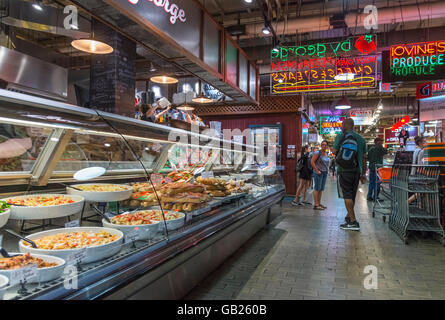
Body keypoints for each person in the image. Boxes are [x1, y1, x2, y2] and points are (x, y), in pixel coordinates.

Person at [332, 118, 367, 231]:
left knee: (347, 195)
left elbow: (333, 150)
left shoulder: (341, 136)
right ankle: (349, 216)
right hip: (356, 171)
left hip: (344, 170)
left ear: (345, 125)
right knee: (352, 195)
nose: (341, 127)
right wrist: (363, 173)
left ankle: (353, 221)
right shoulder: (361, 139)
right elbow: (364, 157)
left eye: (342, 125)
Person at [311, 140, 330, 210]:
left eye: (325, 145)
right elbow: (312, 162)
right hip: (318, 172)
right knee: (317, 188)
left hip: (324, 172)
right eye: (322, 144)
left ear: (327, 146)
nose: (324, 146)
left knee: (321, 189)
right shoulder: (317, 152)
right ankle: (316, 204)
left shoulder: (326, 153)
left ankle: (319, 203)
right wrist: (317, 170)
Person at [408, 136, 426, 204]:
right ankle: (407, 202)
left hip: (413, 174)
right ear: (419, 142)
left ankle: (419, 205)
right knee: (421, 191)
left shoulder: (416, 150)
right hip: (418, 175)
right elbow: (420, 165)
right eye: (424, 142)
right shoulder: (421, 151)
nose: (425, 143)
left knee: (419, 191)